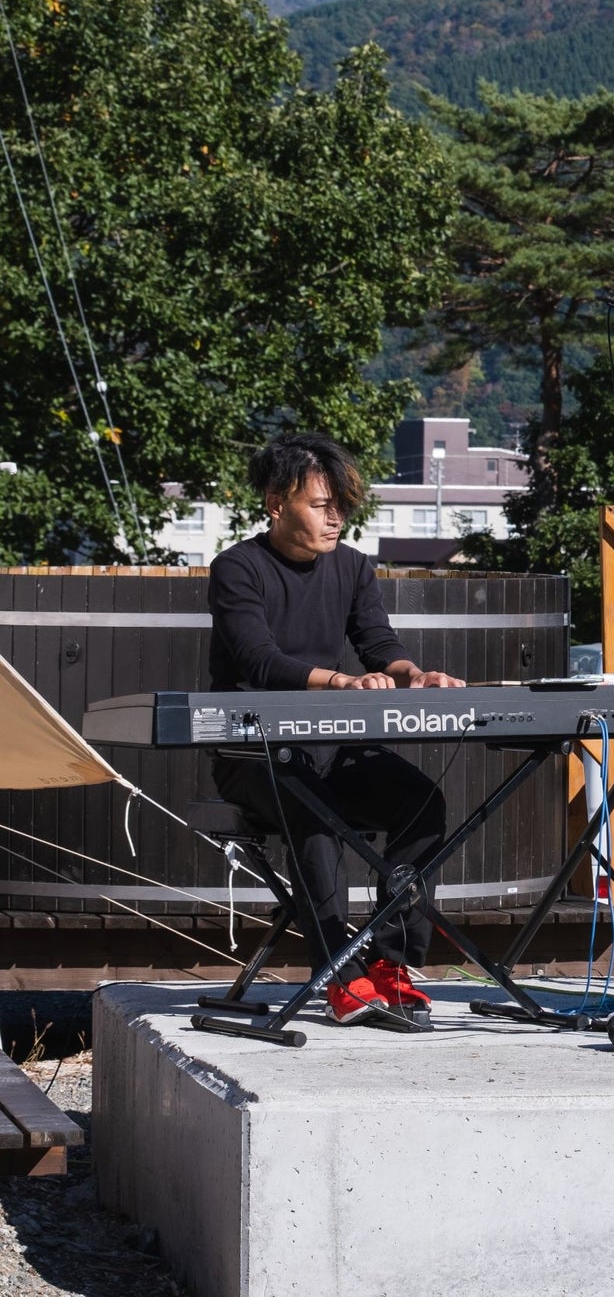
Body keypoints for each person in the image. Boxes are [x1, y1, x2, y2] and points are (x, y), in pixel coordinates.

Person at [206, 432, 465, 1027]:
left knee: (421, 802)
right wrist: (342, 682)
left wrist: (413, 674)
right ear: (276, 503)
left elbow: (379, 644)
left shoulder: (352, 566)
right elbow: (259, 661)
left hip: (331, 748)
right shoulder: (237, 568)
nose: (336, 518)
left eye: (341, 507)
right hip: (252, 755)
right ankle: (339, 976)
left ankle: (391, 962)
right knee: (315, 815)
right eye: (322, 505)